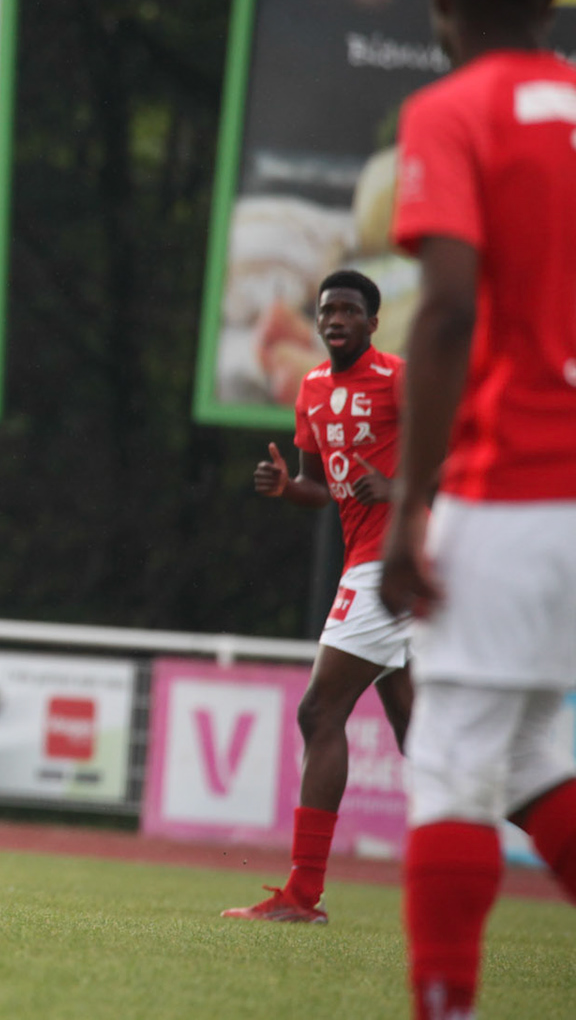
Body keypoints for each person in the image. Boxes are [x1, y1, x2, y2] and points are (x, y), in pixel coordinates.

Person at [379, 0, 576, 1020]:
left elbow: (448, 308)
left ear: (445, 3)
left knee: (453, 762)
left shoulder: (453, 110)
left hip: (515, 487)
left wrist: (412, 507)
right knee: (537, 749)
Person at [223, 269, 413, 924]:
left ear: (373, 323)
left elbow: (460, 453)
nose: (335, 319)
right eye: (328, 310)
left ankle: (303, 895)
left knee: (318, 712)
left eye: (349, 310)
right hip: (372, 563)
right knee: (424, 739)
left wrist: (396, 487)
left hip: (392, 562)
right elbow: (321, 487)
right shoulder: (310, 387)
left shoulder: (398, 378)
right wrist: (287, 488)